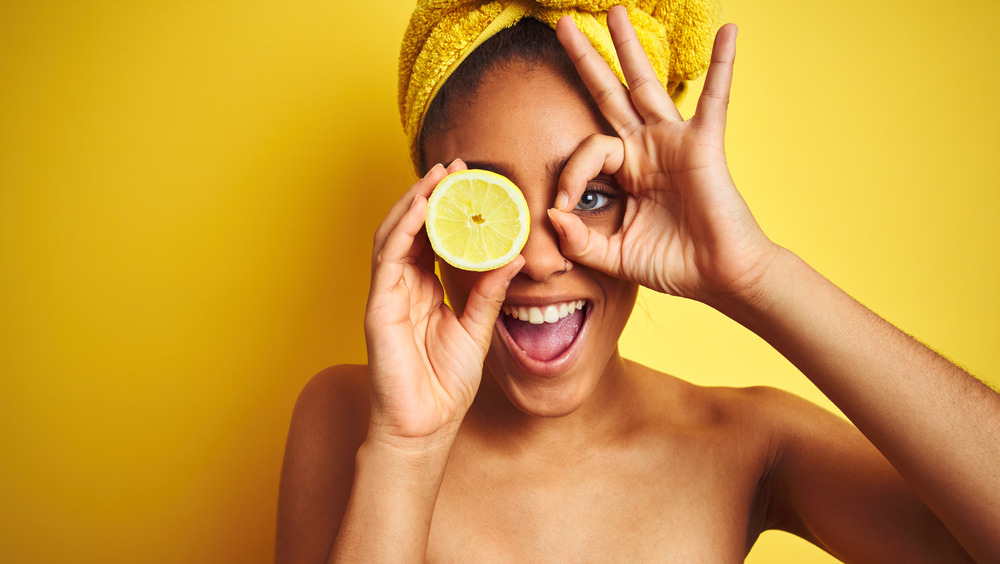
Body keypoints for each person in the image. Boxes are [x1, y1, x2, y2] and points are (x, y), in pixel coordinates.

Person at [276, 2, 1000, 562]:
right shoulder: (352, 421)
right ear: (431, 220)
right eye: (488, 203)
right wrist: (408, 452)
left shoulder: (749, 443)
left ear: (646, 204)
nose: (536, 260)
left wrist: (757, 275)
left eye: (591, 193)